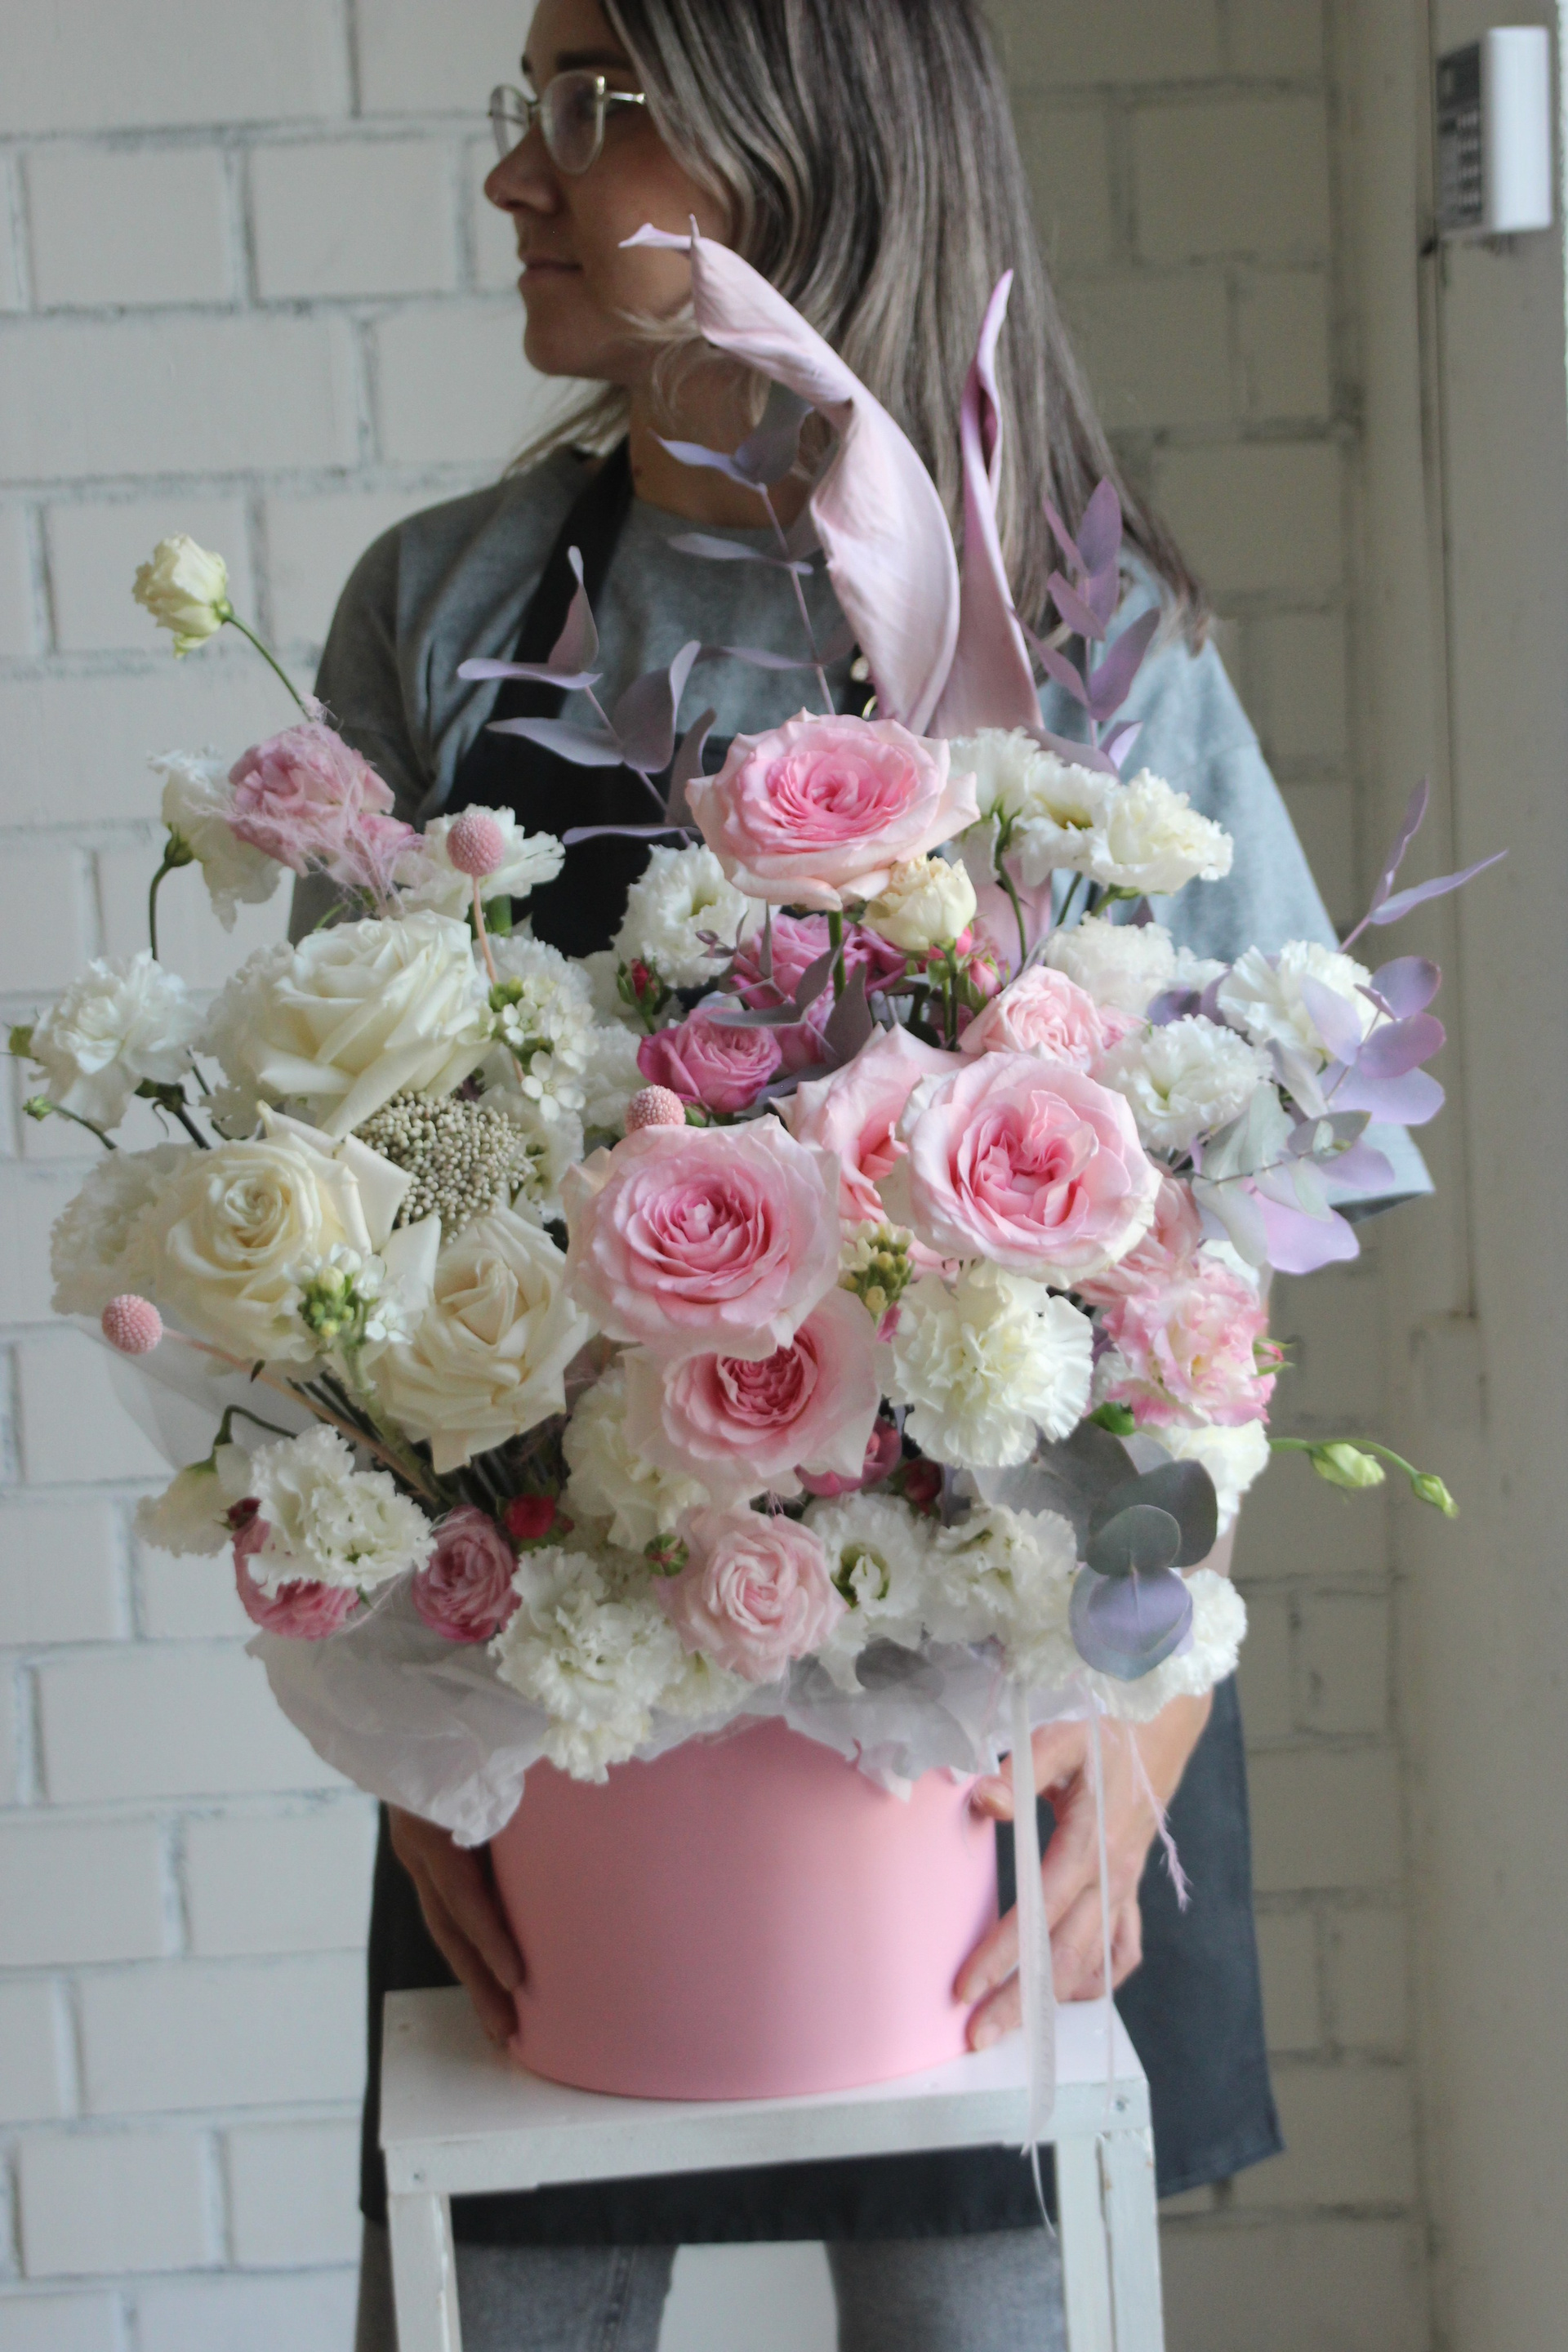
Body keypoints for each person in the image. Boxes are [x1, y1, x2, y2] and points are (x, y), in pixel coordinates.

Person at [305, 2, 1416, 2344]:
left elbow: (1232, 1249)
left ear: (797, 143)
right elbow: (337, 1258)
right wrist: (412, 1744)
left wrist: (1148, 1700)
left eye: (592, 108)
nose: (517, 173)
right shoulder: (448, 616)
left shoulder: (1083, 638)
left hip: (1012, 1719)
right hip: (547, 1706)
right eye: (533, 107)